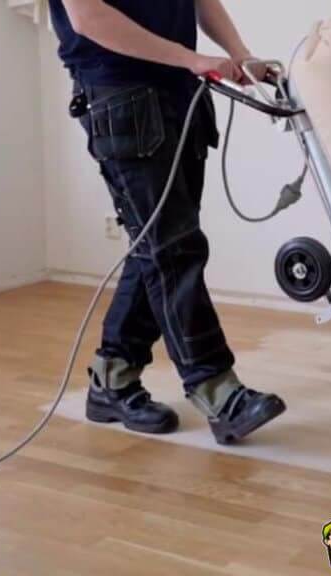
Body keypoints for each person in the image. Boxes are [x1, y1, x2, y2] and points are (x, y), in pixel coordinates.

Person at [49, 0, 285, 444]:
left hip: (180, 93)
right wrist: (192, 58)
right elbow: (89, 17)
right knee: (172, 249)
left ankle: (111, 380)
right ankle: (218, 391)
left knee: (155, 248)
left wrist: (240, 53)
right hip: (122, 96)